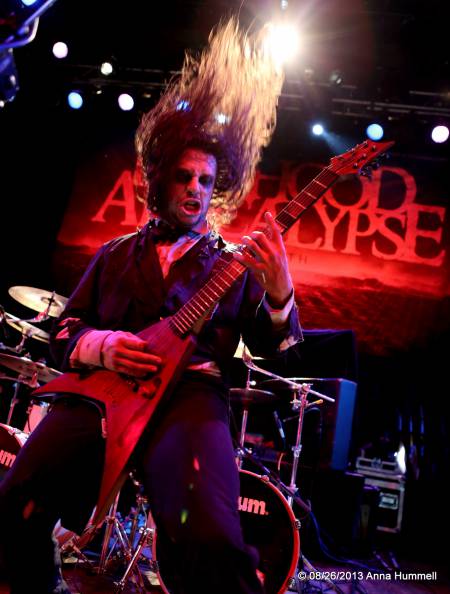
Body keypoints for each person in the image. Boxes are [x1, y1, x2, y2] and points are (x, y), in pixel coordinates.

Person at [0, 18, 302, 594]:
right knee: (15, 501)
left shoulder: (233, 265)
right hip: (101, 396)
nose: (195, 189)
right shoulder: (115, 254)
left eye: (206, 180)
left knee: (212, 539)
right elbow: (63, 332)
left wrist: (281, 291)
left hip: (190, 399)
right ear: (160, 182)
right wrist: (104, 347)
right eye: (184, 177)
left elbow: (280, 351)